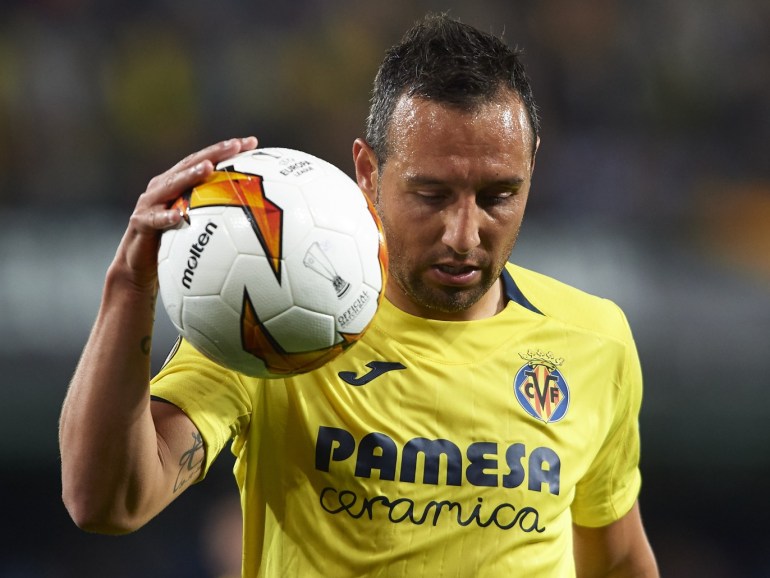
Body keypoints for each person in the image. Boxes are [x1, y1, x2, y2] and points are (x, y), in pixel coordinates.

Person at [60, 13, 659, 578]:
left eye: (499, 196)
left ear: (531, 172)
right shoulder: (272, 323)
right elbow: (106, 502)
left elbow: (616, 559)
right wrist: (129, 288)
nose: (464, 234)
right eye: (432, 194)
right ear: (367, 172)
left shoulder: (594, 340)